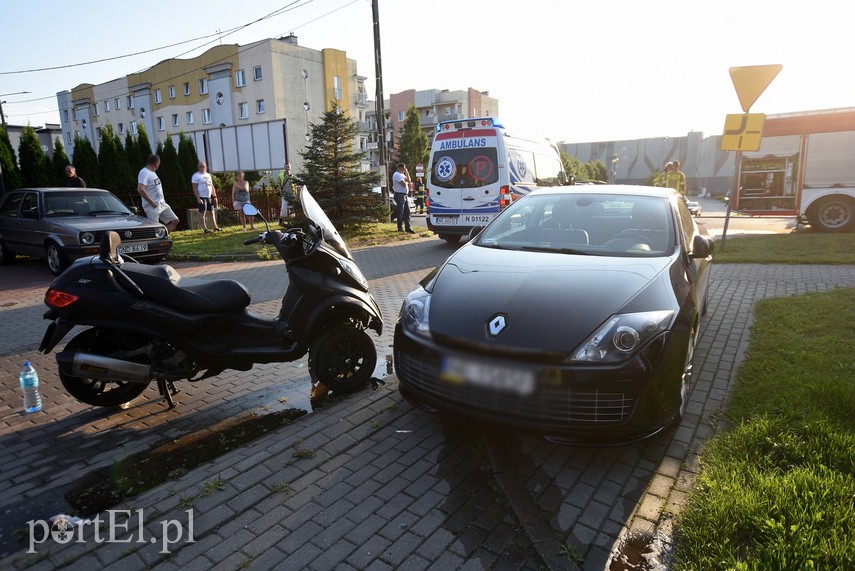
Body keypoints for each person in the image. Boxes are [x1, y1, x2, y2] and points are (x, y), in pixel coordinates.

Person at [137, 154, 179, 232]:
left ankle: (162, 235)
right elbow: (140, 189)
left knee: (174, 220)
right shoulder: (144, 172)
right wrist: (152, 203)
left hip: (162, 204)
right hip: (152, 206)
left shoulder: (153, 172)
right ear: (156, 163)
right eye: (159, 162)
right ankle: (155, 239)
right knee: (154, 227)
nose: (159, 164)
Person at [191, 161, 221, 233]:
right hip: (201, 197)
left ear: (206, 167)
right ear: (198, 167)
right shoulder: (196, 176)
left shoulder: (208, 175)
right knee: (202, 212)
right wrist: (198, 198)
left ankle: (215, 227)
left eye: (203, 166)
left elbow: (212, 186)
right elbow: (194, 187)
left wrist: (215, 196)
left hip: (209, 197)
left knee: (212, 212)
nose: (202, 168)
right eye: (200, 166)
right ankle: (205, 228)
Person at [392, 162, 414, 233]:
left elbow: (409, 181)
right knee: (400, 212)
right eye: (404, 168)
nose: (405, 170)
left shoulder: (402, 175)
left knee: (407, 212)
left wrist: (407, 173)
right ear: (401, 168)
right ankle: (400, 227)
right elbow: (404, 184)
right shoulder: (397, 175)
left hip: (404, 195)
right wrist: (406, 182)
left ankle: (408, 227)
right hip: (399, 195)